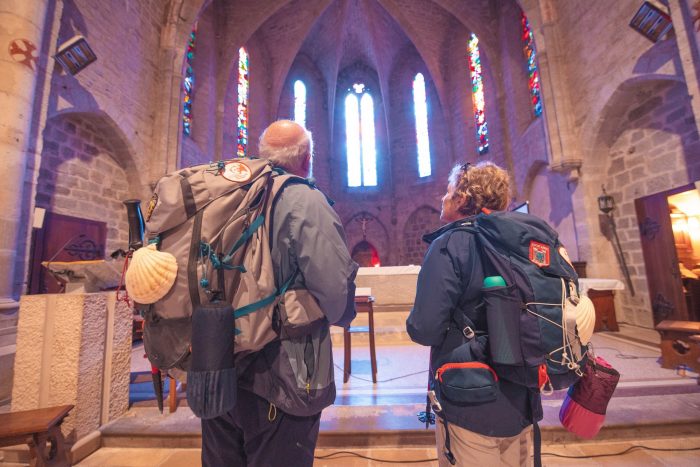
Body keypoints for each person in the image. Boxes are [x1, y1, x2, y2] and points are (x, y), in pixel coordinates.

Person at [201, 120, 358, 466]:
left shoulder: (227, 195)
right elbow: (337, 296)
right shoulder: (305, 200)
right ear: (307, 159)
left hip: (219, 367)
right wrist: (344, 314)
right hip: (282, 377)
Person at [406, 161, 540, 466]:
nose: (442, 197)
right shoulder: (519, 244)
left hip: (470, 395)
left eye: (449, 191)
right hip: (521, 395)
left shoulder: (449, 244)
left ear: (464, 199)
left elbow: (424, 328)